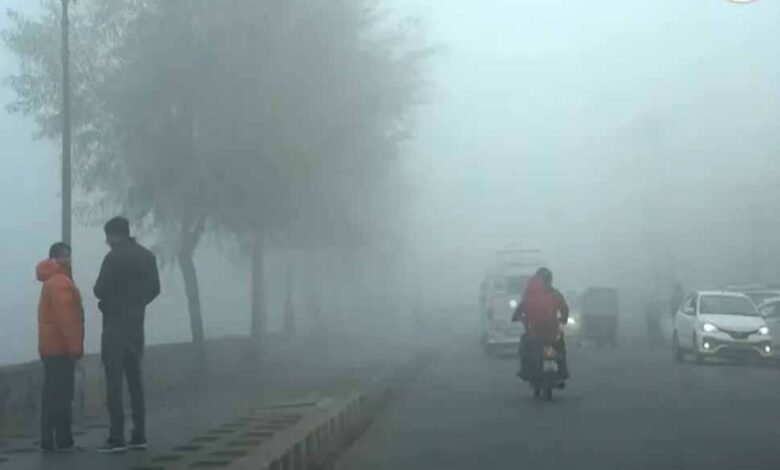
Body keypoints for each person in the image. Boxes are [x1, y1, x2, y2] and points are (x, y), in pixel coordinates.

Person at [94, 217, 160, 453]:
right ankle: (139, 435)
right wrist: (137, 304)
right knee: (135, 380)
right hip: (135, 326)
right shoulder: (147, 256)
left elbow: (98, 289)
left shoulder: (113, 258)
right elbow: (155, 289)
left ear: (114, 235)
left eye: (107, 237)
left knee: (114, 382)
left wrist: (114, 302)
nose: (107, 242)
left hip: (114, 326)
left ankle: (116, 437)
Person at [36, 242, 84, 452]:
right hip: (61, 348)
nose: (69, 260)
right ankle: (64, 440)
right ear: (55, 258)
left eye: (69, 255)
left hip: (50, 347)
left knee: (51, 395)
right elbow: (68, 320)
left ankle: (47, 439)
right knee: (63, 396)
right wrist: (75, 348)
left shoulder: (51, 281)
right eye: (65, 256)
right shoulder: (60, 282)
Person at [512, 267, 570, 382]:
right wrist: (563, 319)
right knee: (560, 349)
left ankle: (525, 371)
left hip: (534, 333)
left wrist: (518, 318)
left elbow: (519, 310)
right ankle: (562, 371)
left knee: (525, 349)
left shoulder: (530, 294)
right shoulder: (555, 294)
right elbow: (564, 308)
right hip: (552, 332)